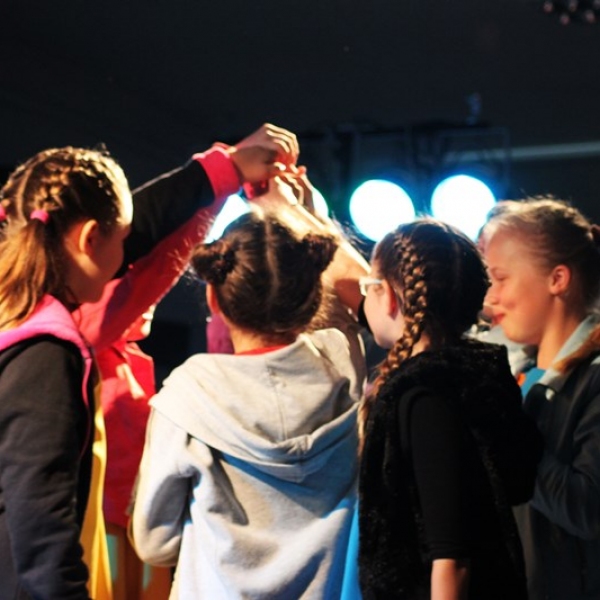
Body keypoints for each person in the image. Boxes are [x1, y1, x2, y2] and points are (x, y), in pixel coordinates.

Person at [0, 123, 298, 600]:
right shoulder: (47, 351)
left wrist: (225, 171)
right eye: (123, 241)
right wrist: (227, 174)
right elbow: (42, 529)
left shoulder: (16, 317)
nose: (129, 258)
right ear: (91, 238)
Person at [130, 174, 369, 599]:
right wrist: (302, 213)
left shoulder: (189, 396)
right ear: (314, 294)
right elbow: (367, 300)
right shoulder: (344, 369)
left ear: (214, 298)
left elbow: (155, 543)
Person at [357, 219, 543, 600]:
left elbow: (451, 559)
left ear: (388, 295)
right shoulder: (468, 379)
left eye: (368, 286)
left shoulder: (426, 396)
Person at [483, 198, 600, 600]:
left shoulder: (594, 379)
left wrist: (502, 426)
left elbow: (588, 509)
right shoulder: (517, 377)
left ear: (557, 279)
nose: (490, 297)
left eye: (501, 278)